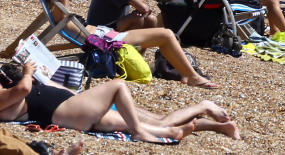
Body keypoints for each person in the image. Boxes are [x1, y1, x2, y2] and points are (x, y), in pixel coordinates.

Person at [0, 61, 237, 143]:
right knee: (118, 86)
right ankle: (139, 133)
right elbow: (23, 89)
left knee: (161, 123)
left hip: (73, 106)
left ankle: (210, 124)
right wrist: (28, 72)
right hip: (67, 111)